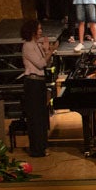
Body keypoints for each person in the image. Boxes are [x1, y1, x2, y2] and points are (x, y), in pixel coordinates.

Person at [20, 20, 56, 158]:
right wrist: (50, 51)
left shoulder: (36, 44)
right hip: (32, 83)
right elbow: (41, 64)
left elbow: (47, 62)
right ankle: (36, 149)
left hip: (40, 83)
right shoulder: (28, 46)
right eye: (39, 29)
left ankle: (42, 146)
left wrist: (47, 50)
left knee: (42, 116)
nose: (41, 31)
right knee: (35, 117)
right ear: (32, 30)